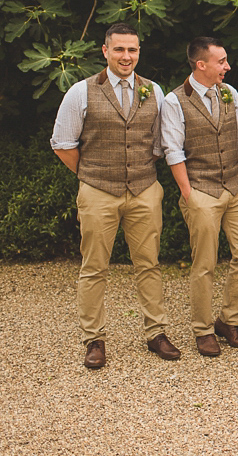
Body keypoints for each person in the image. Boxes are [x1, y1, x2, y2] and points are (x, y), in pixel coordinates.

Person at [51, 22, 180, 368]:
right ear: (105, 51)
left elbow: (158, 143)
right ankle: (94, 338)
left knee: (149, 264)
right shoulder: (81, 91)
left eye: (132, 50)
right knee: (94, 267)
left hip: (144, 190)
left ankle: (156, 332)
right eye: (119, 49)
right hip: (97, 191)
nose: (126, 56)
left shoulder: (153, 91)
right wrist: (91, 175)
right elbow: (63, 144)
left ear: (139, 53)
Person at [161, 37, 238, 357]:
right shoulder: (174, 101)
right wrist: (189, 194)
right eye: (222, 62)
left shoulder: (230, 93)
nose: (228, 67)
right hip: (201, 190)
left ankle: (229, 321)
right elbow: (173, 151)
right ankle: (203, 330)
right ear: (200, 65)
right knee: (204, 263)